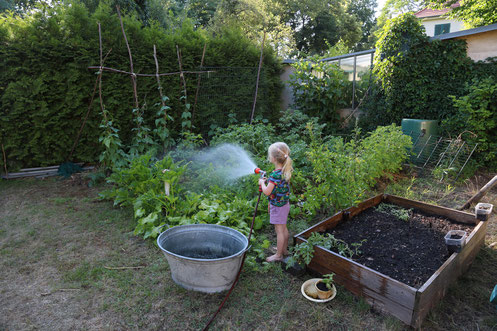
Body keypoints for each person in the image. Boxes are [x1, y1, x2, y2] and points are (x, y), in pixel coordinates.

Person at [258, 142, 293, 262]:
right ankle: (283, 249)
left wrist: (262, 183)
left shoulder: (274, 175)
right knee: (283, 228)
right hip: (284, 205)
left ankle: (278, 255)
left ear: (273, 158)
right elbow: (279, 189)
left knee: (279, 231)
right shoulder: (285, 171)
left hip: (278, 207)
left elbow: (267, 192)